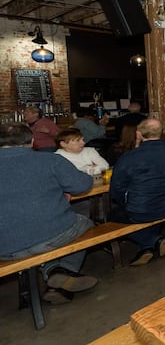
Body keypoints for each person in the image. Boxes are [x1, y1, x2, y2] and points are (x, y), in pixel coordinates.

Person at [0, 122, 98, 304]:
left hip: (4, 248)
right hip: (50, 235)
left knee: (32, 239)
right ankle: (61, 274)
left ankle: (52, 270)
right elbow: (83, 184)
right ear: (32, 141)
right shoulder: (50, 160)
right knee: (85, 222)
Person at [109, 118, 165, 266]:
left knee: (113, 215)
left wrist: (127, 201)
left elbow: (116, 190)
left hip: (144, 209)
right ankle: (147, 247)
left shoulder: (130, 158)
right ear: (161, 133)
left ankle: (153, 241)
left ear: (138, 134)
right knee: (150, 209)